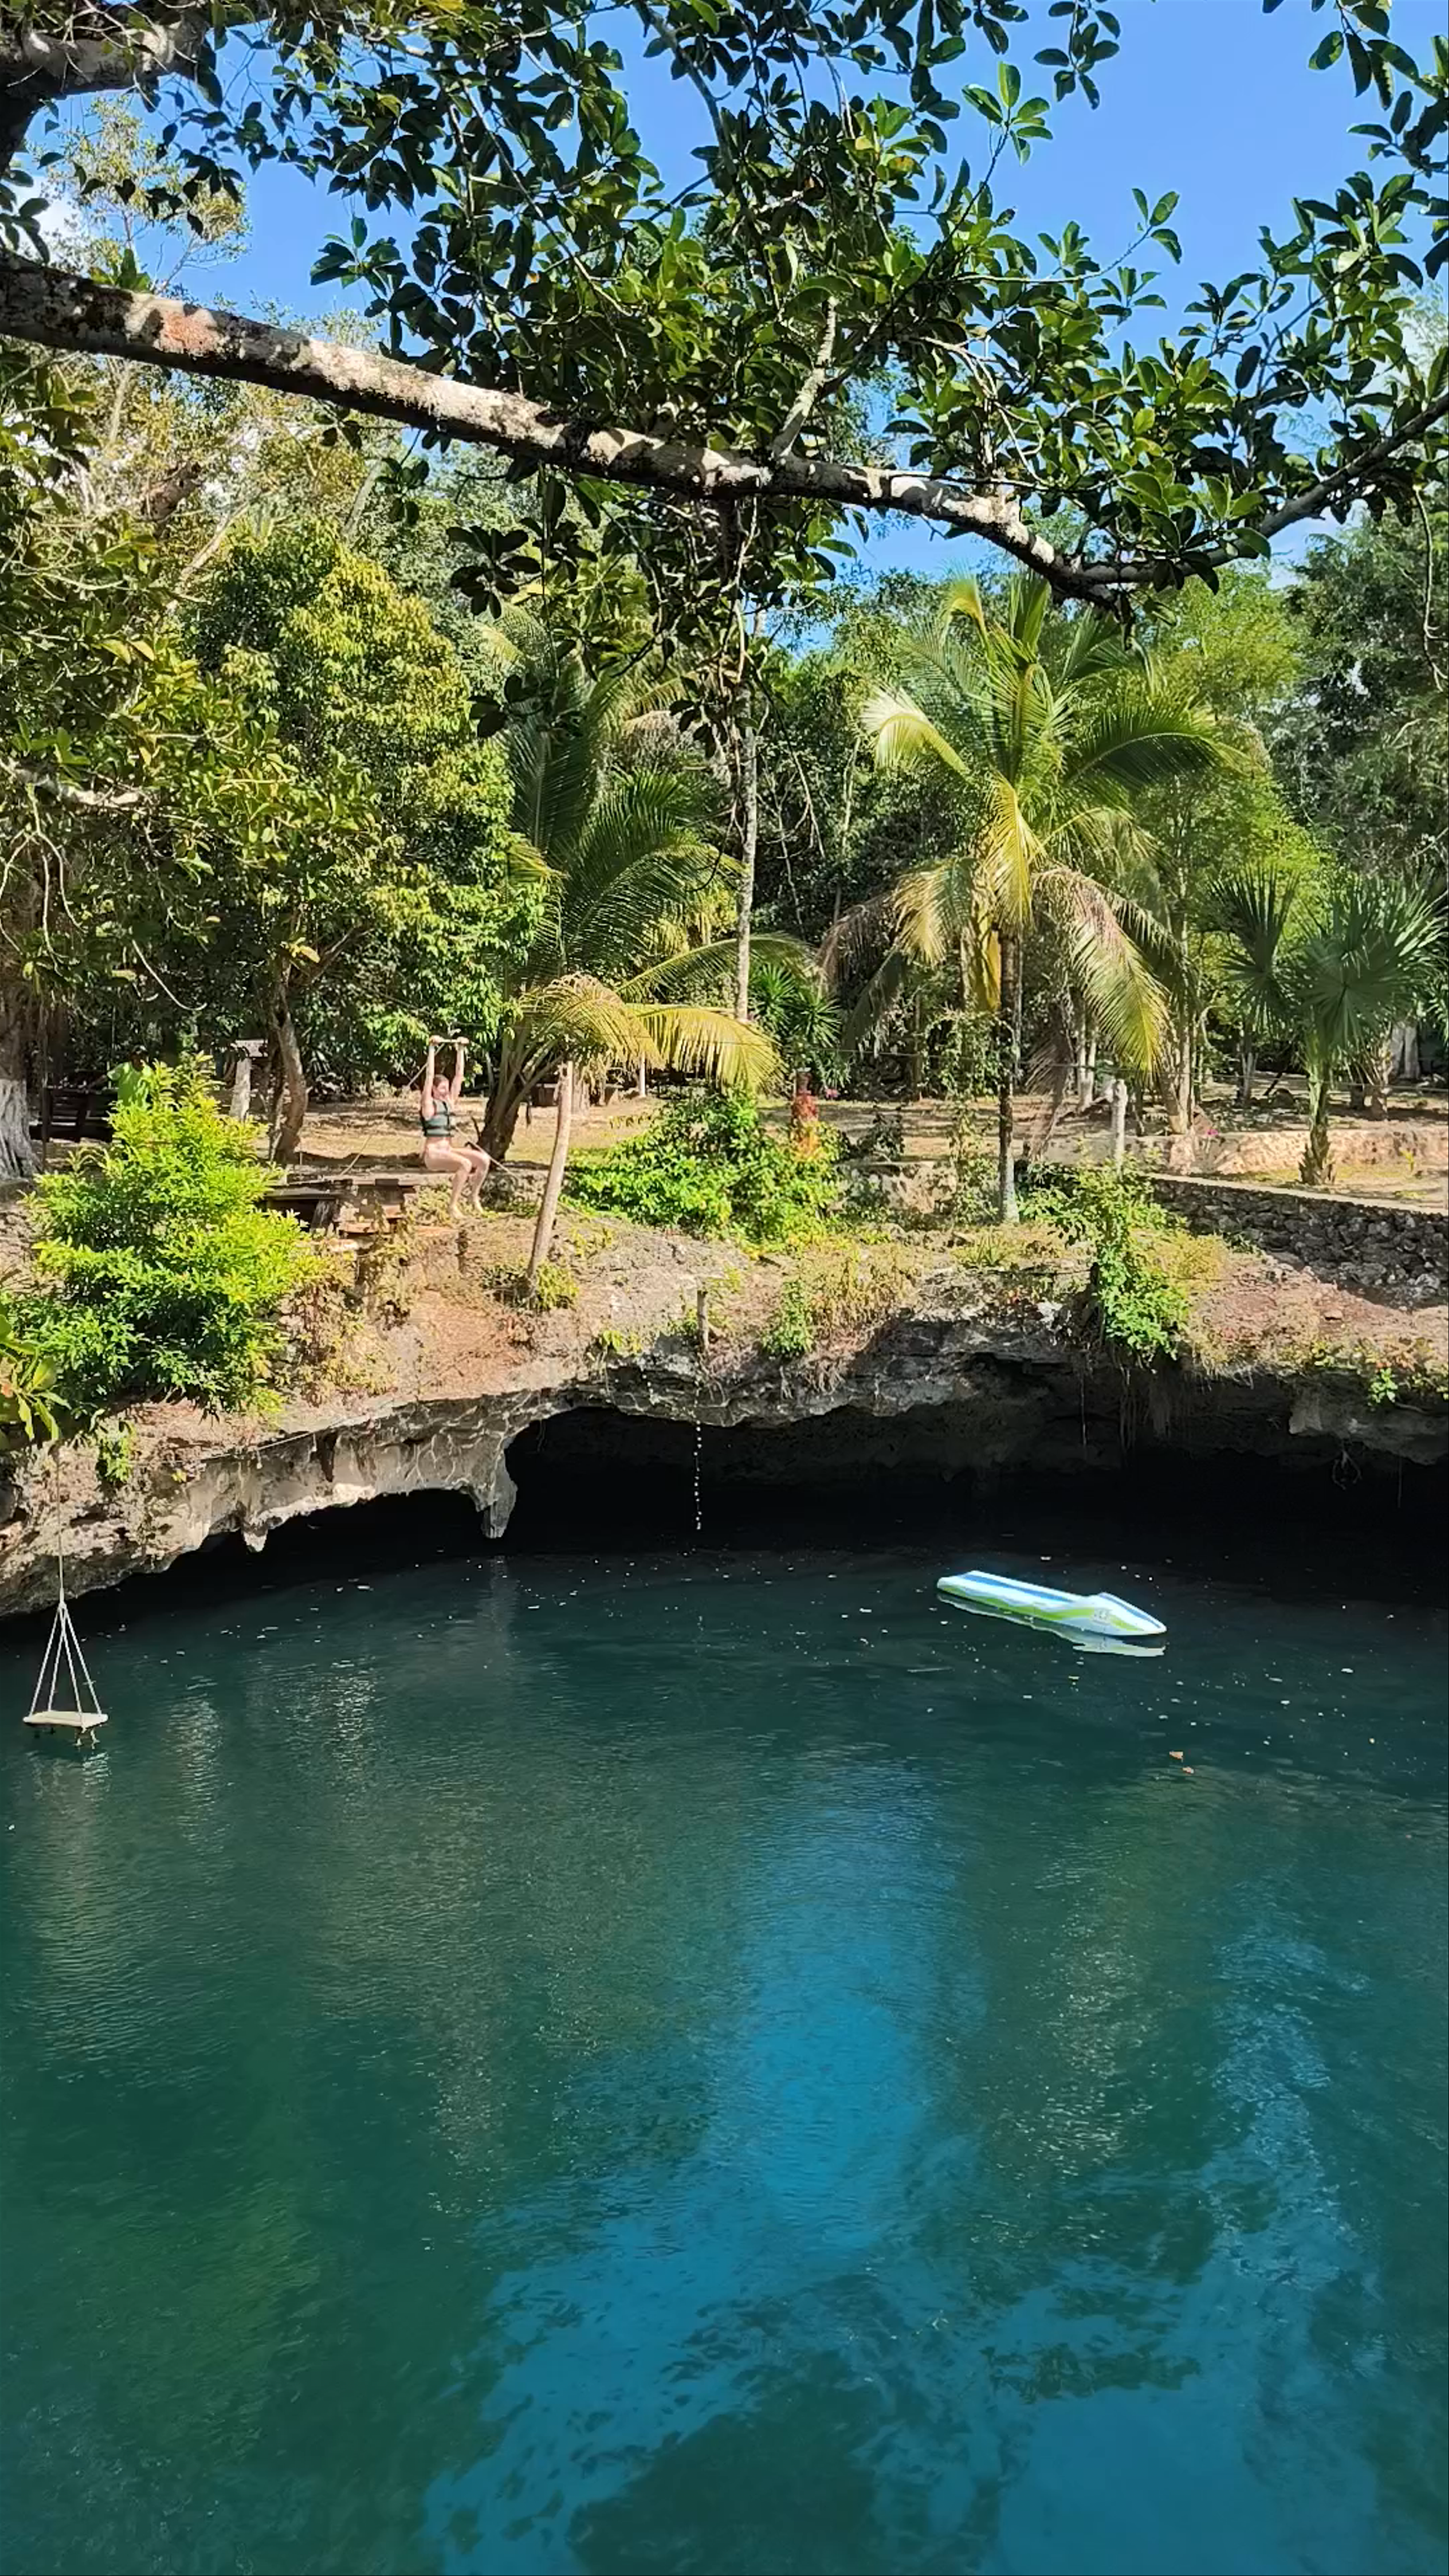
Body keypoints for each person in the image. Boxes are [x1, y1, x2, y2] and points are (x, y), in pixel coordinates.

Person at [419, 1038, 491, 1212]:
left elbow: (459, 1075)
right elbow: (429, 1076)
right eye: (442, 1089)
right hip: (434, 1155)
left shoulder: (450, 1103)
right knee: (465, 1164)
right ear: (434, 1090)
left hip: (449, 1151)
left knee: (484, 1160)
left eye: (447, 1088)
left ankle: (474, 1197)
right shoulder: (429, 1105)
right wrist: (431, 1049)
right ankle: (453, 1206)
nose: (446, 1092)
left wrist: (460, 1050)